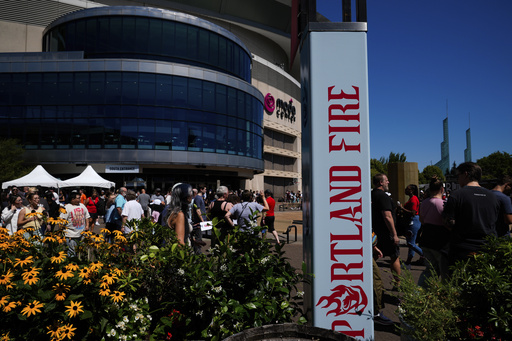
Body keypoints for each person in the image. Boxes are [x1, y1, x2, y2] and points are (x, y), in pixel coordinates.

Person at [443, 162, 500, 265]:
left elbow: (448, 223)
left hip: (463, 249)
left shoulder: (457, 195)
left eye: (458, 175)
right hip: (488, 248)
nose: (457, 179)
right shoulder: (493, 196)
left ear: (465, 174)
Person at [418, 176, 450, 286]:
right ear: (442, 189)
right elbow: (447, 223)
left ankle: (420, 293)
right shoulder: (443, 204)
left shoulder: (424, 202)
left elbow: (421, 219)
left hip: (426, 238)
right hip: (439, 241)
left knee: (430, 270)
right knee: (445, 272)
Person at [371, 174, 401, 282]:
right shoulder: (383, 196)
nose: (388, 182)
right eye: (386, 181)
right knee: (394, 257)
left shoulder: (371, 194)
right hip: (386, 233)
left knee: (373, 257)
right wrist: (394, 234)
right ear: (381, 182)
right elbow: (387, 216)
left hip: (374, 233)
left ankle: (372, 282)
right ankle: (398, 284)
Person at [398, 184, 423, 266]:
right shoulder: (413, 199)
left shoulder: (413, 200)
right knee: (412, 242)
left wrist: (402, 208)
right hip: (414, 221)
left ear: (411, 190)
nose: (405, 190)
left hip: (413, 221)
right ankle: (408, 261)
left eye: (407, 189)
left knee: (410, 243)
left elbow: (413, 212)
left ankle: (424, 255)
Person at [60, 192, 90, 257]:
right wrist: (61, 232)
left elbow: (87, 216)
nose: (80, 199)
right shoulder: (67, 208)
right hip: (71, 235)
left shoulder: (82, 206)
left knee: (80, 252)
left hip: (81, 234)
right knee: (71, 253)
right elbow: (62, 221)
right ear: (72, 199)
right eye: (78, 198)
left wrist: (87, 226)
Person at [190, 186, 207, 253]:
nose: (206, 190)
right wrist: (202, 220)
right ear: (201, 189)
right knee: (198, 238)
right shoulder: (198, 198)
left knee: (200, 237)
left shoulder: (200, 198)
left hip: (200, 221)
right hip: (198, 222)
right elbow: (198, 210)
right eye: (205, 189)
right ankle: (197, 253)